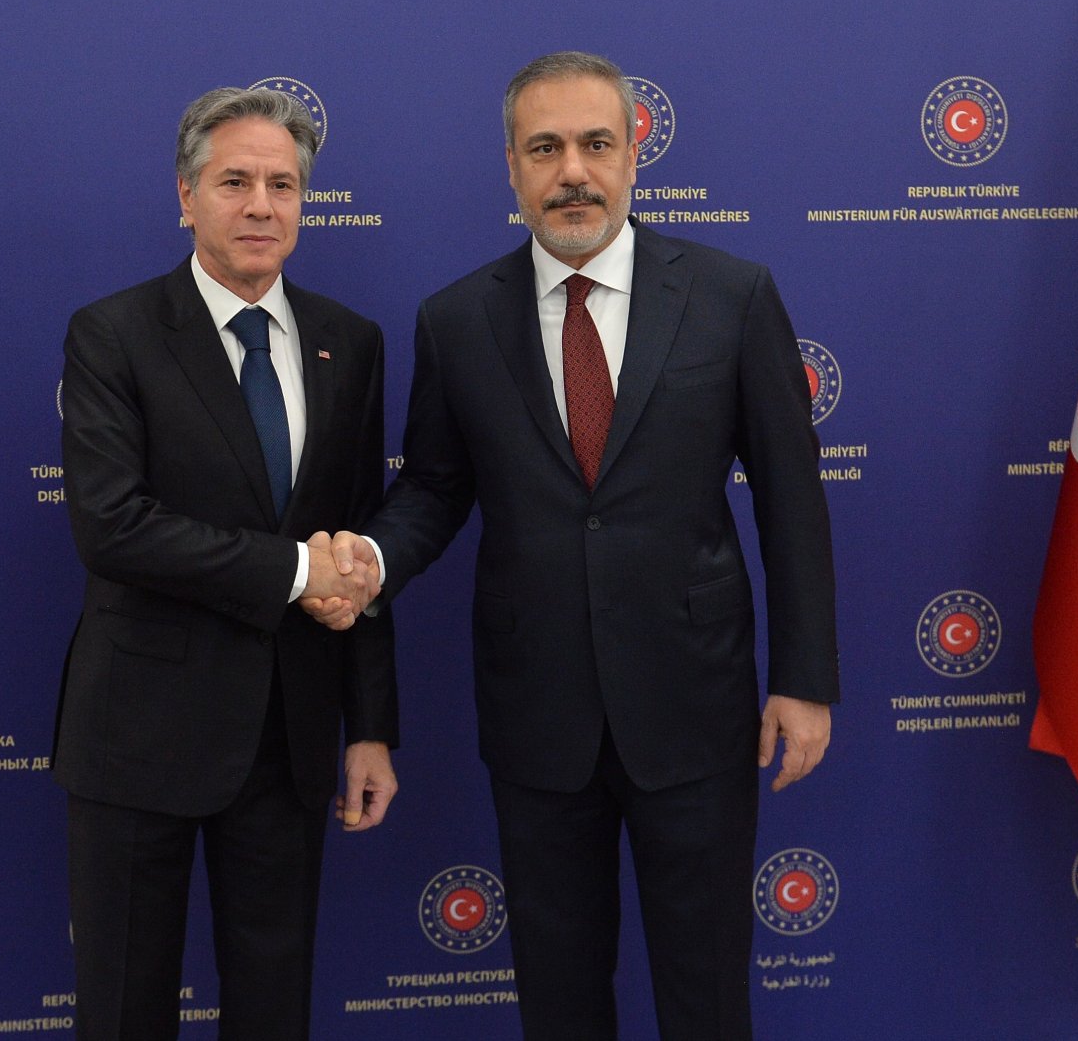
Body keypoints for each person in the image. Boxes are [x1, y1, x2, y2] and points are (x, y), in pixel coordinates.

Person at [310, 51, 839, 1039]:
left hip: (694, 705)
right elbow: (431, 488)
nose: (572, 173)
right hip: (537, 716)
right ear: (510, 166)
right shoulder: (457, 320)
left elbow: (792, 499)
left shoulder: (731, 296)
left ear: (635, 152)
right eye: (544, 149)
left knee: (707, 991)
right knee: (556, 996)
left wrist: (804, 676)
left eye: (595, 144)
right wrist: (371, 562)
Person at [54, 86, 397, 1041]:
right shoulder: (112, 333)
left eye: (282, 184)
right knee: (123, 1011)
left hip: (286, 738)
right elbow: (113, 527)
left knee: (274, 1011)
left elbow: (359, 545)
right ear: (186, 196)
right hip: (136, 738)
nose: (260, 205)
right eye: (234, 180)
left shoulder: (351, 342)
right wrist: (294, 572)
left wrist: (368, 727)